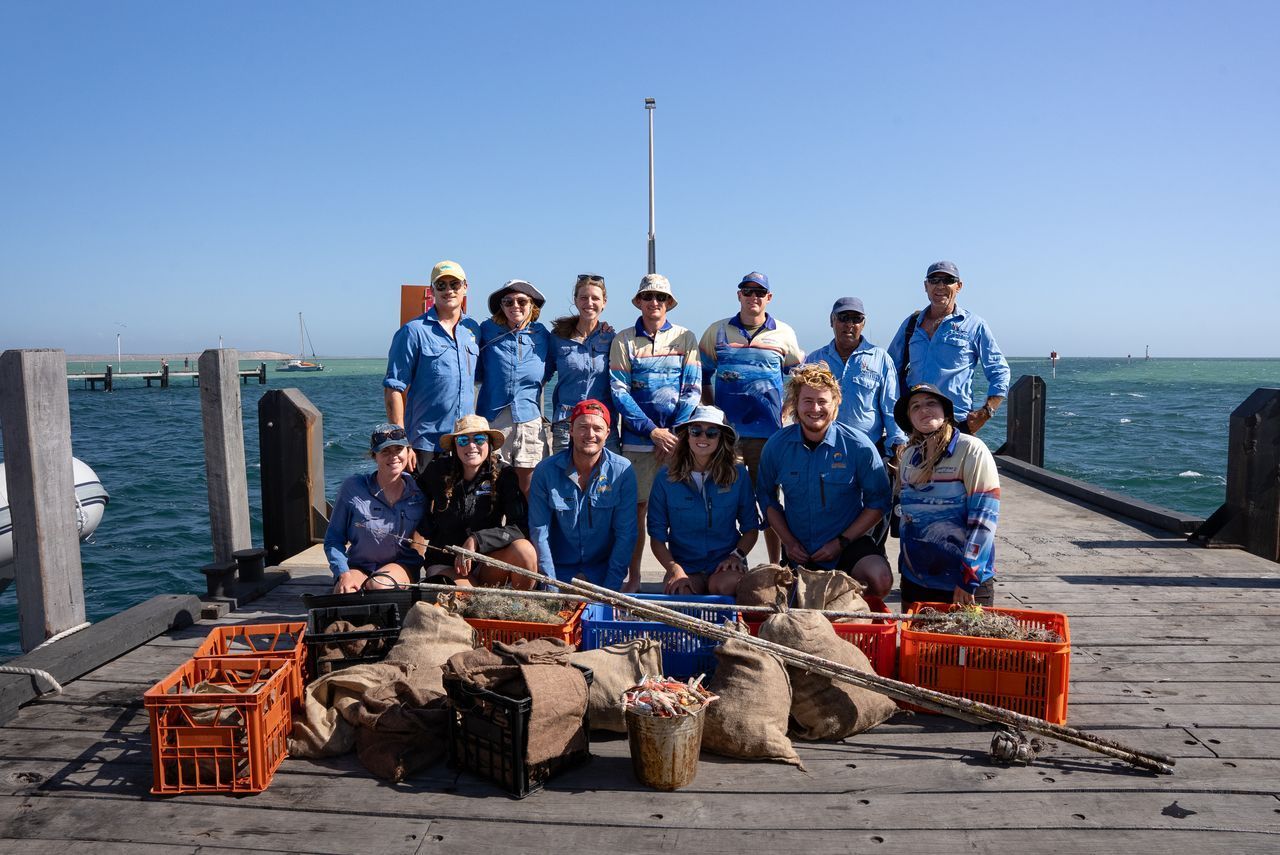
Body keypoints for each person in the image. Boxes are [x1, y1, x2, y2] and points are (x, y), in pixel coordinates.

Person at [756, 363, 893, 598]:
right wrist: (788, 542)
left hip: (847, 544)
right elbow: (767, 498)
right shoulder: (776, 446)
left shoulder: (858, 445)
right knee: (763, 596)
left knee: (879, 579)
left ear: (835, 404)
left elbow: (879, 503)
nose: (815, 408)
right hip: (799, 548)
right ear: (796, 404)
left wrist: (841, 542)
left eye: (822, 401)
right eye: (808, 401)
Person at [698, 271, 803, 564]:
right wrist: (714, 414)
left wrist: (786, 412)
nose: (753, 297)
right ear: (739, 295)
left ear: (769, 297)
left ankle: (774, 565)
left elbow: (798, 380)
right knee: (725, 499)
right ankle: (730, 562)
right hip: (727, 438)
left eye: (759, 292)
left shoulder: (784, 333)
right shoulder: (716, 331)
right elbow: (702, 376)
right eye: (747, 291)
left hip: (768, 437)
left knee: (769, 502)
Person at [608, 274, 701, 592]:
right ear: (639, 301)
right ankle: (633, 576)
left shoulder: (686, 337)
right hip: (638, 443)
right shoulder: (623, 340)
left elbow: (692, 388)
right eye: (648, 297)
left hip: (677, 442)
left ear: (669, 303)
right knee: (636, 512)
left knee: (681, 509)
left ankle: (680, 573)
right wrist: (652, 432)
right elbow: (619, 391)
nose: (654, 302)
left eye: (660, 297)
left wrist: (672, 433)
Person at [893, 383, 1000, 608]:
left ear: (946, 412)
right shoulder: (909, 456)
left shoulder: (971, 450)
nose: (924, 410)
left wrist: (969, 577)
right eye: (915, 407)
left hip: (964, 583)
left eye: (931, 403)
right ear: (909, 418)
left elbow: (984, 518)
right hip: (916, 580)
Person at [647, 405, 760, 596]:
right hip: (685, 565)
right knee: (680, 591)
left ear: (722, 438)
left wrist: (736, 556)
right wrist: (674, 569)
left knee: (726, 586)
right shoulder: (664, 478)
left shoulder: (739, 474)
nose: (703, 437)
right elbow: (657, 538)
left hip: (725, 565)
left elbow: (751, 528)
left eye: (712, 432)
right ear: (687, 435)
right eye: (696, 431)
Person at [415, 415, 538, 589]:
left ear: (489, 444)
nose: (471, 446)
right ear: (454, 446)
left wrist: (477, 540)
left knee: (525, 550)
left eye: (479, 439)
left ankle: (520, 603)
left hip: (486, 562)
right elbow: (414, 502)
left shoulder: (505, 474)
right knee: (467, 595)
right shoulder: (437, 470)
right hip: (446, 563)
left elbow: (519, 526)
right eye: (463, 440)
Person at [528, 399, 638, 591]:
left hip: (602, 575)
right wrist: (552, 588)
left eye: (597, 428)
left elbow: (625, 535)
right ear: (571, 430)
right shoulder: (545, 471)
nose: (590, 434)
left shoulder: (622, 471)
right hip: (557, 573)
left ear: (607, 433)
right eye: (583, 427)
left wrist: (609, 591)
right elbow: (539, 532)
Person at [887, 261, 1010, 434]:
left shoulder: (975, 325)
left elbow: (1000, 371)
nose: (940, 285)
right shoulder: (910, 324)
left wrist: (986, 412)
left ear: (959, 286)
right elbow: (890, 370)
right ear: (926, 286)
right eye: (934, 280)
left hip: (956, 424)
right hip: (915, 424)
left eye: (948, 280)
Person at [384, 260, 483, 472]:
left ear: (465, 287)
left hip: (464, 442)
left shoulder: (473, 330)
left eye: (454, 284)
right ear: (432, 290)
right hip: (425, 444)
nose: (448, 290)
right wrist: (401, 441)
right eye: (441, 285)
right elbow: (393, 388)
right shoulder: (413, 332)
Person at [324, 424, 425, 594]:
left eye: (398, 449)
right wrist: (343, 573)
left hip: (401, 565)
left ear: (408, 452)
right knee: (347, 592)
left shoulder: (419, 493)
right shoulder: (352, 487)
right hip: (359, 565)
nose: (393, 456)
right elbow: (333, 539)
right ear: (374, 456)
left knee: (379, 585)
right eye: (385, 451)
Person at [476, 279, 552, 494]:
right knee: (493, 486)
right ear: (501, 306)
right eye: (508, 302)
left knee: (530, 489)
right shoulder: (486, 330)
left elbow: (551, 366)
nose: (515, 306)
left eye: (521, 301)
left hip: (529, 420)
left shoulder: (543, 335)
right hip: (493, 420)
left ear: (532, 305)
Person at [805, 297, 906, 456]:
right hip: (822, 449)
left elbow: (891, 407)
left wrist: (897, 448)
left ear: (863, 323)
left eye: (856, 319)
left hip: (867, 450)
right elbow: (802, 405)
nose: (849, 324)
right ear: (832, 321)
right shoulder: (814, 360)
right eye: (843, 318)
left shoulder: (881, 359)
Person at [548, 273, 617, 453]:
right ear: (576, 301)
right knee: (563, 470)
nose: (589, 303)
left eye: (595, 298)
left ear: (604, 302)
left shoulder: (612, 338)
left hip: (602, 422)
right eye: (584, 298)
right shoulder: (558, 338)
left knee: (608, 471)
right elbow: (540, 375)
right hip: (567, 422)